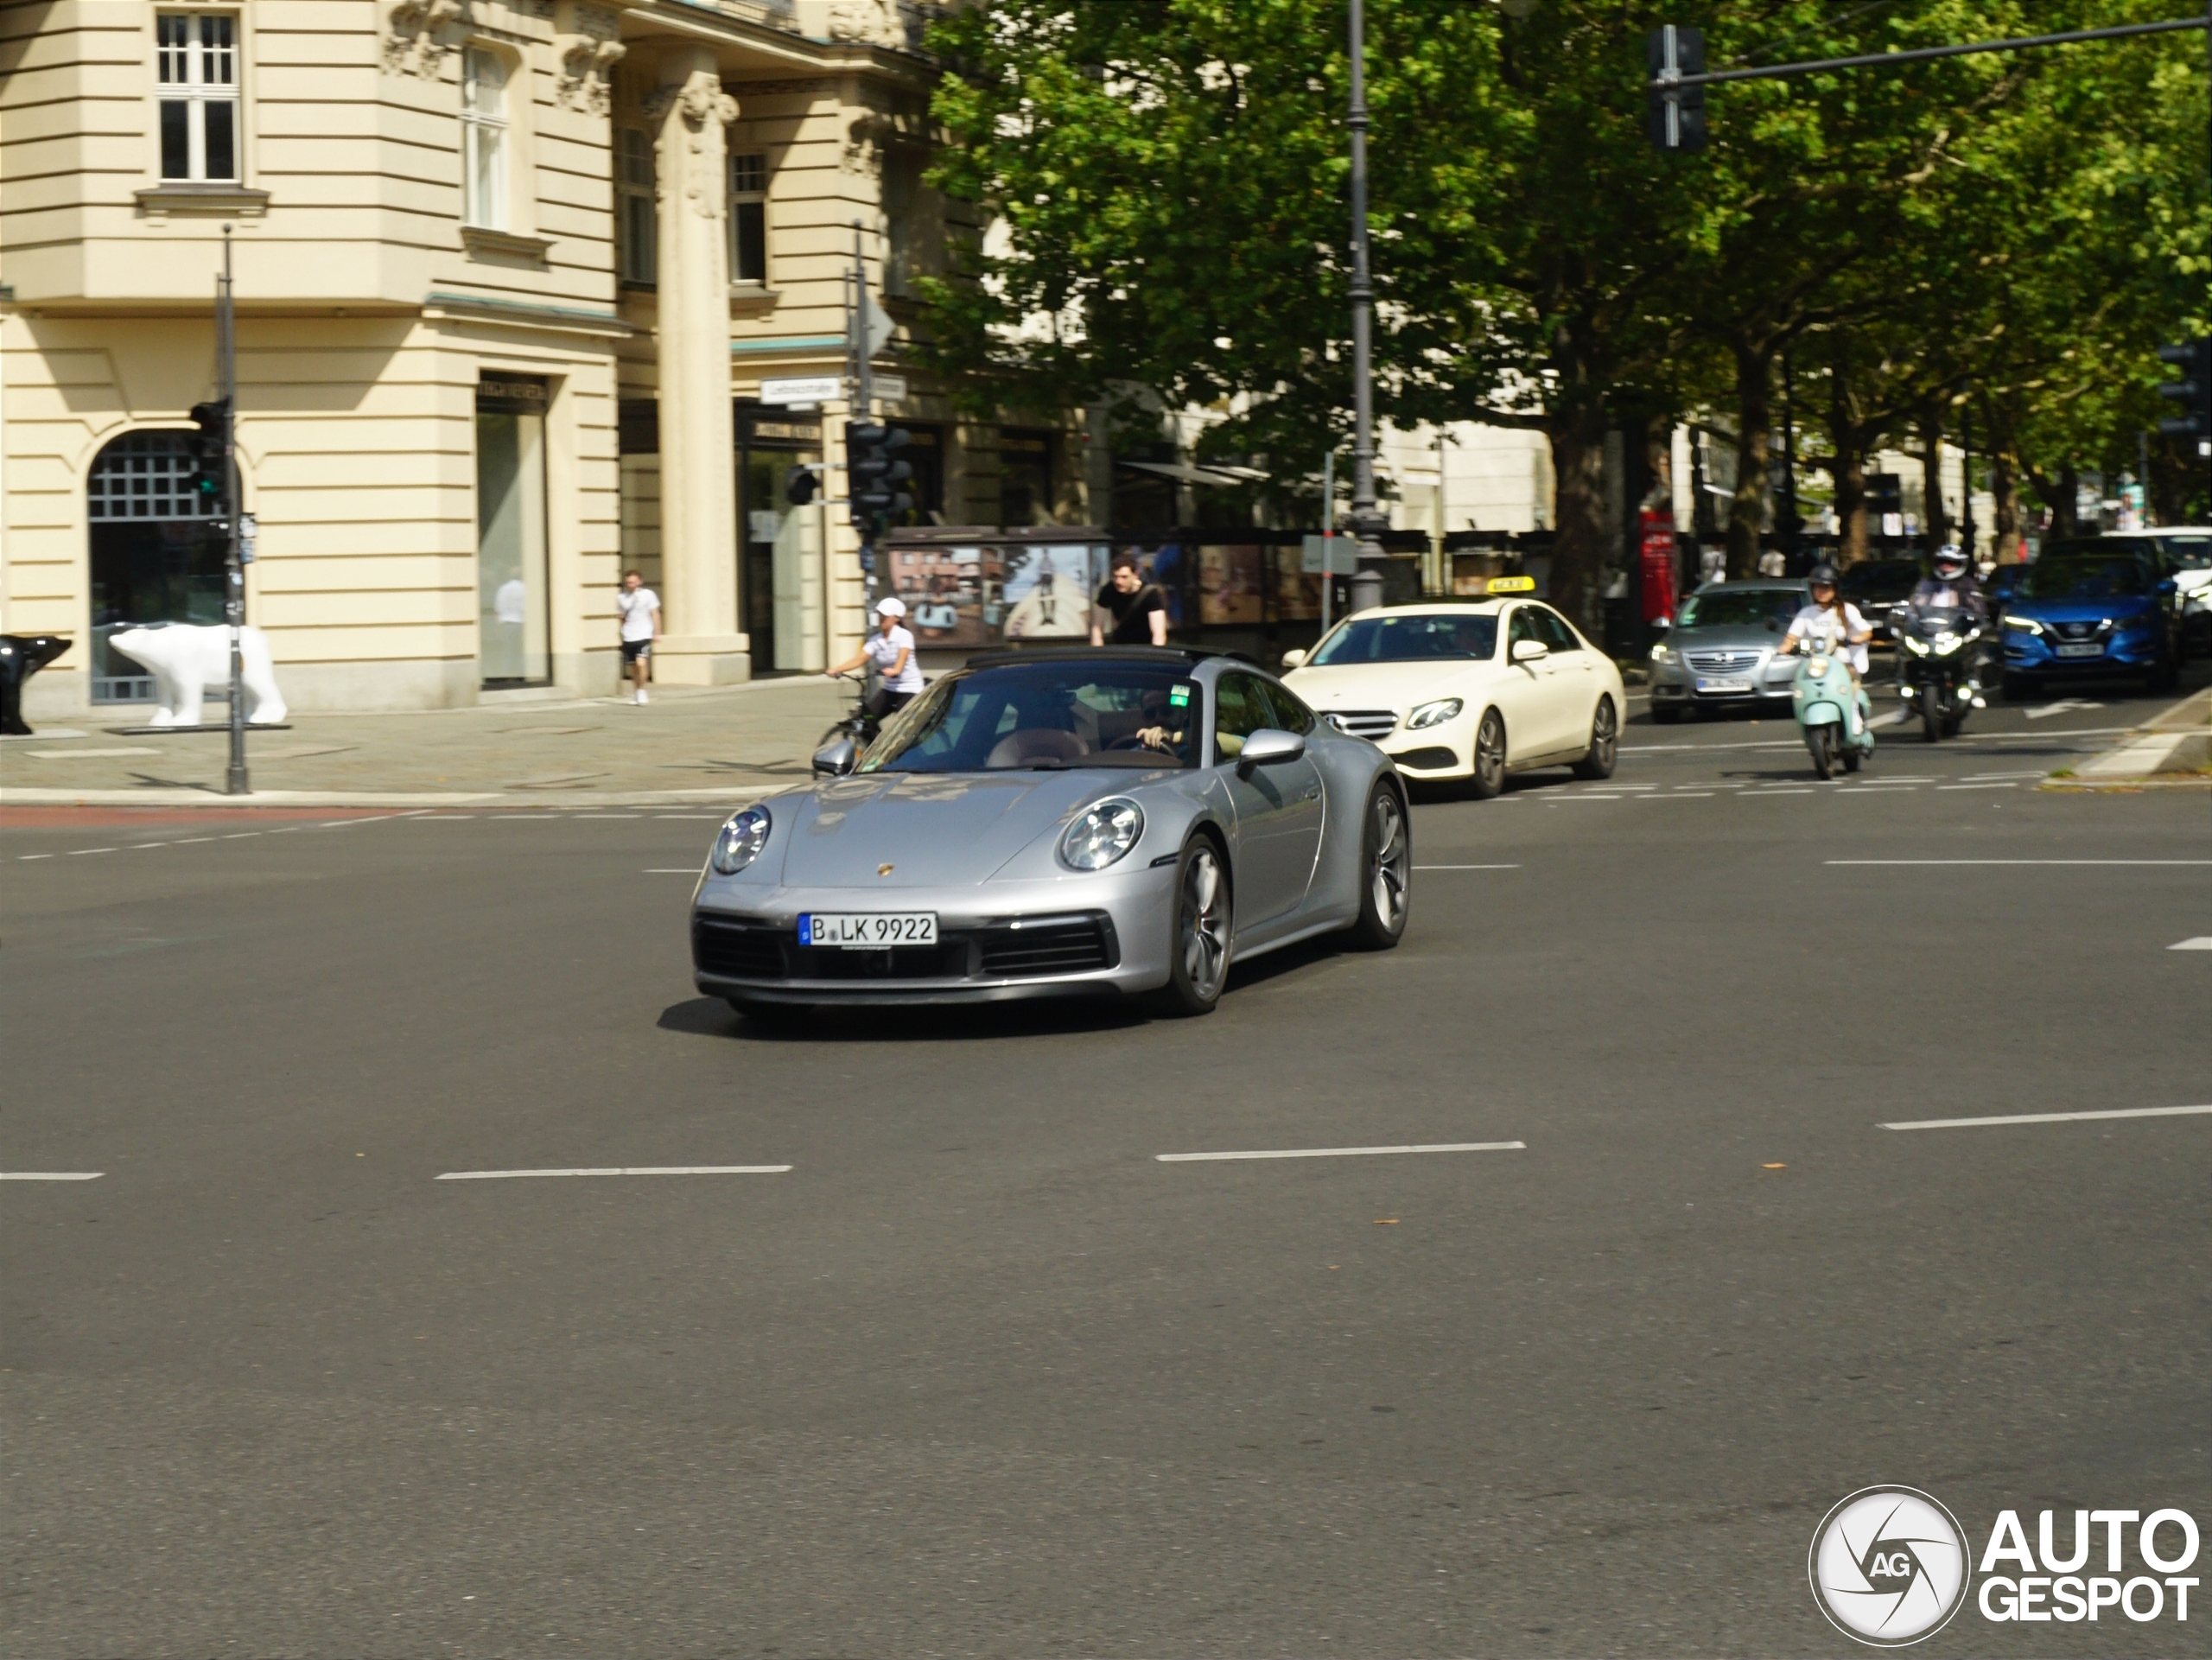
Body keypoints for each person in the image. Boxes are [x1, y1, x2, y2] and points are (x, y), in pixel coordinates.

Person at [1777, 562, 1873, 733]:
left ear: (1835, 589)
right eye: (1818, 587)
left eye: (1826, 587)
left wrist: (1857, 638)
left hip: (1842, 661)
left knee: (1850, 681)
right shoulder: (1806, 612)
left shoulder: (1846, 610)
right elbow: (1792, 636)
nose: (1822, 591)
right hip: (1816, 662)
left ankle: (1854, 717)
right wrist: (1785, 647)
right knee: (1801, 684)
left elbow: (1866, 631)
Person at [827, 595, 924, 720]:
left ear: (896, 618)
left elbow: (903, 657)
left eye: (886, 616)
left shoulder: (904, 636)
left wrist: (896, 670)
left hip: (910, 689)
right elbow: (860, 659)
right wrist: (838, 669)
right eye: (880, 614)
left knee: (901, 725)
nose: (881, 618)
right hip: (890, 688)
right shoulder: (875, 640)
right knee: (867, 718)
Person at [1091, 554, 1169, 646]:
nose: (1119, 582)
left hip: (1146, 646)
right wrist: (1099, 654)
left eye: (1124, 577)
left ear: (1135, 575)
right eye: (1115, 576)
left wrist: (1155, 656)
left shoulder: (1150, 594)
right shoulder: (1109, 590)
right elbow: (1097, 627)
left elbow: (1159, 634)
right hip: (1121, 646)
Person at [615, 569, 660, 704]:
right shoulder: (621, 598)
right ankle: (637, 691)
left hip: (644, 633)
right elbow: (621, 616)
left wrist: (657, 632)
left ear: (640, 582)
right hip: (629, 635)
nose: (631, 585)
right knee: (633, 667)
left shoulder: (648, 595)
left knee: (642, 663)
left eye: (633, 582)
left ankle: (642, 690)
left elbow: (655, 613)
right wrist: (624, 628)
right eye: (628, 582)